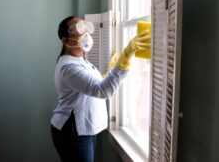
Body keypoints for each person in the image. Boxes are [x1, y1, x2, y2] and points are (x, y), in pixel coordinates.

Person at [50, 16, 150, 162]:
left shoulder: (80, 59)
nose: (85, 34)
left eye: (85, 28)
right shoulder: (68, 67)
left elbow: (90, 85)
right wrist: (125, 58)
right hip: (73, 130)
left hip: (83, 129)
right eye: (78, 30)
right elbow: (103, 91)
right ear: (65, 41)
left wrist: (109, 72)